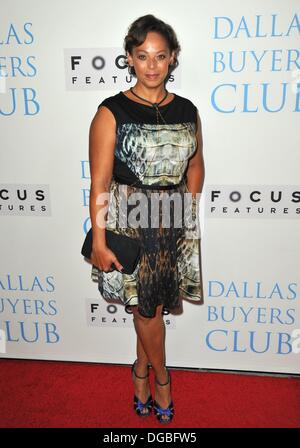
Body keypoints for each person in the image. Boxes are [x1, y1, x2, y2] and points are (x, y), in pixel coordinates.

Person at [87, 14, 205, 424]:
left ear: (172, 59)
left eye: (160, 56)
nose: (151, 65)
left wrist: (185, 214)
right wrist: (99, 241)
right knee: (148, 313)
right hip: (131, 221)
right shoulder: (111, 111)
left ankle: (138, 370)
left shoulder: (188, 110)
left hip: (173, 221)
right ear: (130, 59)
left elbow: (196, 166)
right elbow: (100, 181)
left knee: (149, 307)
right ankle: (161, 378)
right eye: (142, 56)